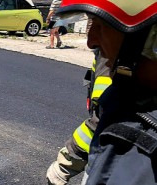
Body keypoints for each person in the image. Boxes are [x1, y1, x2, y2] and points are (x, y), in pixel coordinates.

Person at [53, 0, 157, 184]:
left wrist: (67, 163)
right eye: (90, 23)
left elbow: (97, 119)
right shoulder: (127, 95)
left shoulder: (140, 147)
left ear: (153, 40)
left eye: (101, 26)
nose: (91, 41)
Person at [46, 49, 111, 185]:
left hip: (113, 163)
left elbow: (105, 119)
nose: (91, 40)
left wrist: (65, 165)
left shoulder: (116, 53)